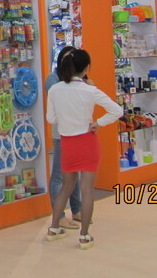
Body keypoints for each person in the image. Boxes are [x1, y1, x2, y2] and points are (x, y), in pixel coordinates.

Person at [45, 48, 122, 249]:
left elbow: (51, 118)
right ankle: (84, 235)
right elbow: (117, 110)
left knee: (66, 186)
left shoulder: (55, 89)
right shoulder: (90, 90)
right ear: (87, 68)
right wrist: (98, 123)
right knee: (87, 190)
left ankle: (53, 228)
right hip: (87, 142)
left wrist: (66, 118)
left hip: (67, 142)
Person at [45, 45, 82, 229]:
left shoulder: (78, 79)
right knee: (59, 175)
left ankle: (77, 210)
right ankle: (58, 216)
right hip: (61, 133)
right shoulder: (53, 79)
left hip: (77, 132)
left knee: (74, 172)